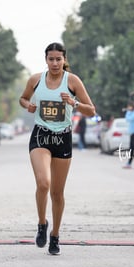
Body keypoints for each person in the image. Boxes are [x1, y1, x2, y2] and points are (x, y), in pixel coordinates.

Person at [19, 42, 95, 255]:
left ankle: (55, 235)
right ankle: (42, 224)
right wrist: (28, 106)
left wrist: (73, 102)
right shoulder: (36, 80)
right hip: (41, 135)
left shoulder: (72, 81)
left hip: (63, 138)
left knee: (57, 193)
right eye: (51, 59)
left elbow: (91, 110)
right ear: (46, 60)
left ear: (64, 60)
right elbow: (23, 98)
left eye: (58, 59)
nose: (54, 63)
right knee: (43, 183)